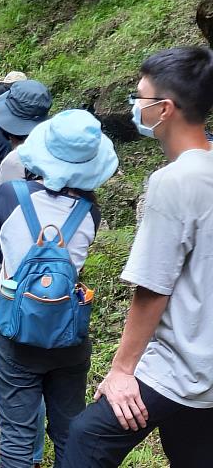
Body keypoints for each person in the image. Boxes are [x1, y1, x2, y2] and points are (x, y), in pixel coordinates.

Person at [65, 47, 213, 467]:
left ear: (164, 109)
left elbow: (153, 287)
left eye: (139, 97)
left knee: (86, 438)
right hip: (208, 368)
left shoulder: (173, 181)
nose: (133, 106)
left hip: (177, 366)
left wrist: (122, 370)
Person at [0, 109, 118, 468]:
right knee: (69, 430)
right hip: (68, 336)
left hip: (16, 332)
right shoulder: (90, 211)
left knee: (16, 436)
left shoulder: (10, 195)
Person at [0, 79, 52, 467]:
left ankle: (18, 452)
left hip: (16, 285)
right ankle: (28, 448)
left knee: (17, 380)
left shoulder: (13, 163)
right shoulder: (60, 160)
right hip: (56, 281)